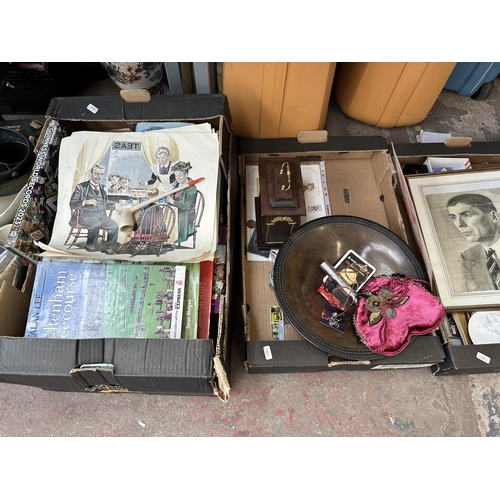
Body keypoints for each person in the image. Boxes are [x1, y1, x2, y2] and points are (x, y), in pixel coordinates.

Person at [447, 193, 500, 291]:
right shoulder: (468, 256)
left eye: (467, 215)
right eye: (454, 218)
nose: (459, 224)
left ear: (494, 217)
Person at [69, 165, 122, 255]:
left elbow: (104, 202)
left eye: (101, 174)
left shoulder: (103, 187)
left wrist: (115, 204)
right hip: (85, 215)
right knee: (95, 223)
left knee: (114, 226)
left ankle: (108, 248)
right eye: (96, 174)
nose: (99, 176)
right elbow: (73, 203)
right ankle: (90, 245)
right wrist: (86, 202)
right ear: (91, 174)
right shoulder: (81, 187)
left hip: (100, 215)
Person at [167, 161, 198, 246]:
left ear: (186, 175)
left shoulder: (191, 188)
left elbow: (187, 206)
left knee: (169, 217)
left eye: (180, 175)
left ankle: (173, 238)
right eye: (176, 175)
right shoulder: (177, 185)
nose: (177, 178)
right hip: (176, 210)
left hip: (187, 214)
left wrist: (173, 202)